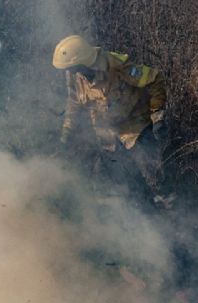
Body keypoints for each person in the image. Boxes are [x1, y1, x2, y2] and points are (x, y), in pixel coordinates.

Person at [52, 35, 172, 209]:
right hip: (107, 137)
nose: (69, 72)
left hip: (136, 130)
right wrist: (65, 137)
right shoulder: (74, 77)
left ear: (83, 61)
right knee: (118, 189)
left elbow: (155, 79)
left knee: (155, 179)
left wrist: (157, 116)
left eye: (71, 67)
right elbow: (74, 104)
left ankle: (169, 217)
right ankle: (138, 221)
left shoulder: (116, 65)